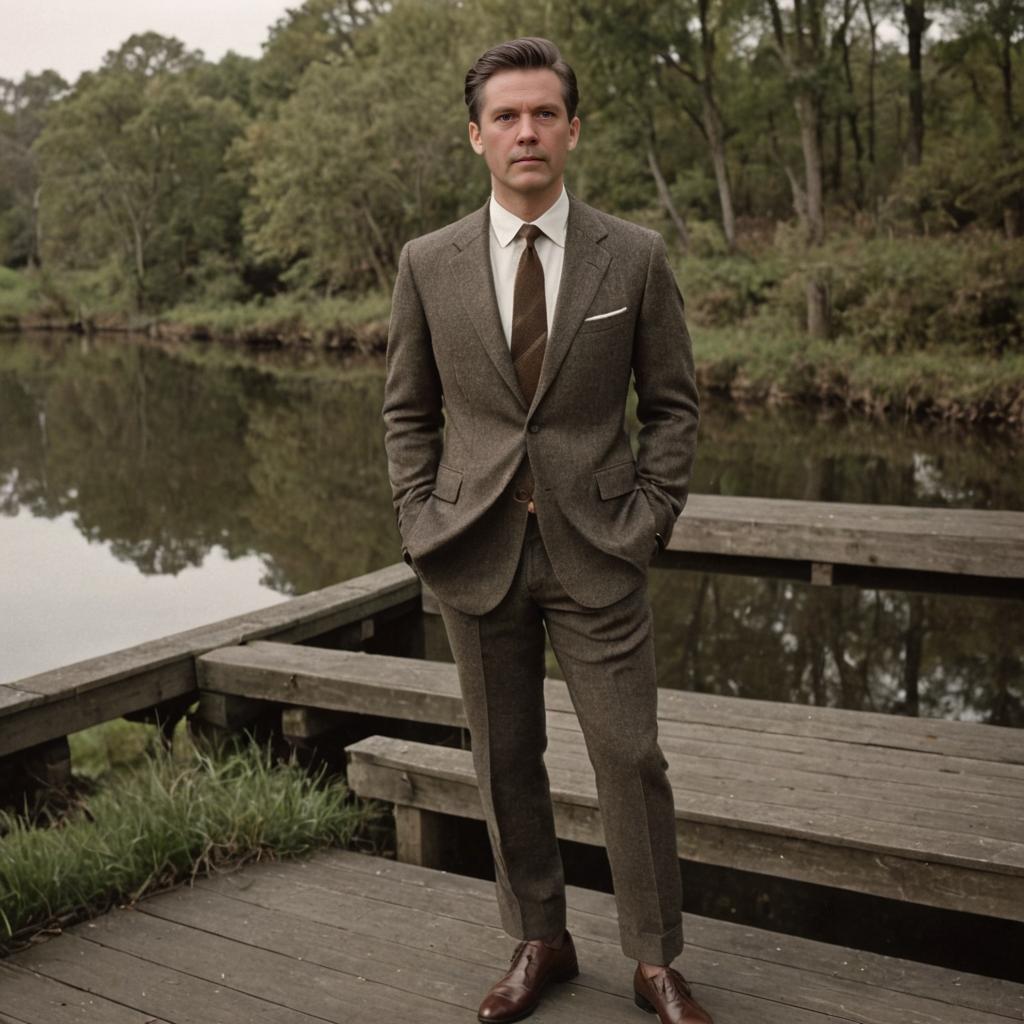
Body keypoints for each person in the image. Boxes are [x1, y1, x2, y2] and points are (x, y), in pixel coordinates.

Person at [382, 37, 710, 1024]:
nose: (527, 131)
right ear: (476, 135)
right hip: (473, 550)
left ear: (572, 128)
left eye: (544, 114)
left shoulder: (634, 256)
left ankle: (654, 959)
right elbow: (406, 411)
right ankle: (540, 938)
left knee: (629, 754)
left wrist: (647, 519)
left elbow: (674, 405)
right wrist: (418, 522)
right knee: (503, 757)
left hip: (600, 546)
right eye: (507, 116)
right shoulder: (427, 263)